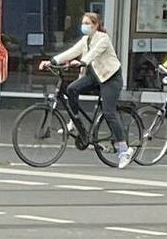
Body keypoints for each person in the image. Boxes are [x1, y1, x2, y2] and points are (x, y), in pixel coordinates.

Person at [41, 11, 131, 167]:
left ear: (96, 25)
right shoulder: (85, 39)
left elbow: (93, 53)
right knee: (71, 89)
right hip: (95, 76)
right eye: (83, 23)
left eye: (88, 23)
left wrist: (81, 62)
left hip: (110, 78)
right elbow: (71, 52)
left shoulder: (103, 38)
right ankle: (76, 121)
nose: (84, 26)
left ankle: (124, 150)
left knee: (109, 112)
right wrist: (52, 61)